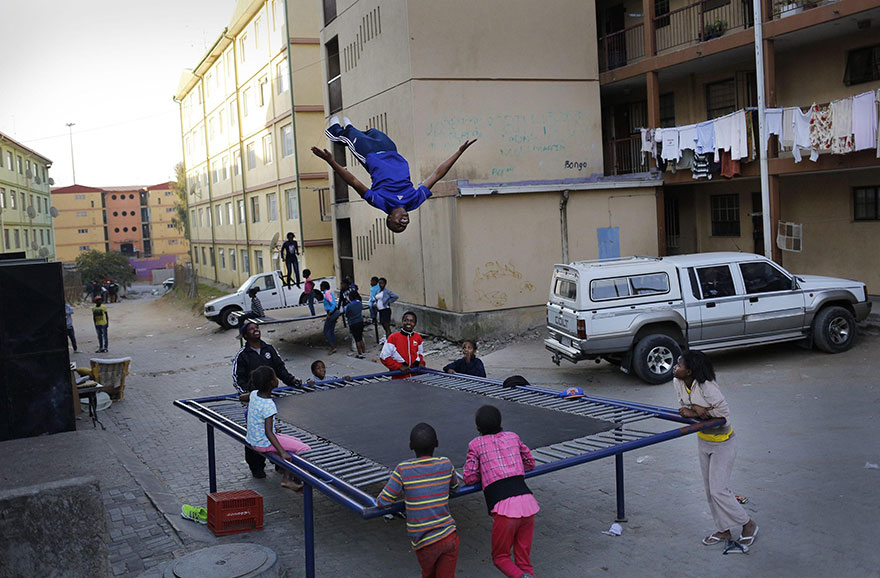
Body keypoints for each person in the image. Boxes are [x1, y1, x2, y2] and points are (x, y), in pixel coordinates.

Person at [312, 117, 477, 233]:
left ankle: (336, 130)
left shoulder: (381, 203)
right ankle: (350, 128)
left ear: (390, 218)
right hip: (391, 149)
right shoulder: (414, 201)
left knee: (348, 138)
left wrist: (331, 161)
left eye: (398, 225)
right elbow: (436, 175)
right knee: (372, 131)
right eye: (404, 226)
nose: (403, 223)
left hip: (371, 155)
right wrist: (459, 152)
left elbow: (354, 182)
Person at [673, 350, 758, 550]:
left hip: (724, 442)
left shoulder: (707, 386)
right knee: (709, 490)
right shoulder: (677, 382)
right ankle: (724, 529)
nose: (675, 367)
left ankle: (748, 524)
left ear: (690, 371)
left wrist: (697, 411)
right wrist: (696, 410)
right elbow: (683, 406)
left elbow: (724, 413)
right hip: (704, 440)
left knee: (719, 490)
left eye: (680, 365)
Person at [463, 405, 539, 578]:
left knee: (500, 557)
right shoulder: (513, 437)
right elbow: (530, 462)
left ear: (477, 428)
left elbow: (469, 477)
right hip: (528, 503)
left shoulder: (476, 444)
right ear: (500, 422)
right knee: (523, 560)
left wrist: (486, 473)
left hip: (504, 508)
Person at [377, 423, 459, 578]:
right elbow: (455, 486)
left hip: (425, 542)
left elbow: (383, 501)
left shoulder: (403, 469)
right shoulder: (446, 464)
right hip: (449, 536)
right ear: (437, 443)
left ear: (410, 446)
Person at [233, 320, 303, 478]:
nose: (255, 330)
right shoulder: (243, 355)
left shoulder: (269, 349)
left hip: (270, 398)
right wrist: (250, 395)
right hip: (255, 401)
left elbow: (280, 369)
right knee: (255, 431)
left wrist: (292, 380)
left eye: (256, 327)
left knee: (274, 428)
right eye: (251, 329)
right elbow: (238, 378)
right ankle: (256, 465)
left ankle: (278, 462)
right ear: (245, 335)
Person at [246, 366, 311, 490]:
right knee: (304, 449)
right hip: (263, 442)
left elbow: (243, 397)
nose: (277, 379)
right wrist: (282, 452)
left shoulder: (254, 394)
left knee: (296, 441)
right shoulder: (269, 405)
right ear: (271, 383)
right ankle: (289, 478)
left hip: (253, 439)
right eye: (275, 377)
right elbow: (269, 432)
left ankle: (288, 471)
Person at [380, 311, 424, 376]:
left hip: (415, 376)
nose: (408, 323)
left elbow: (420, 354)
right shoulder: (393, 337)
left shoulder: (418, 337)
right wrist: (399, 366)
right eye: (406, 320)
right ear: (402, 321)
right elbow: (384, 357)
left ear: (415, 323)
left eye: (411, 321)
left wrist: (421, 363)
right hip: (399, 376)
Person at [321, 281, 341, 354]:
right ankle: (333, 345)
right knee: (331, 330)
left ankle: (333, 346)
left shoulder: (327, 293)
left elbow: (333, 304)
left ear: (324, 287)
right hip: (333, 312)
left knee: (326, 330)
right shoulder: (329, 293)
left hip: (332, 313)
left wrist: (329, 313)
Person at [344, 291, 367, 358]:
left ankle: (360, 353)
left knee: (357, 339)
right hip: (360, 321)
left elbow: (347, 315)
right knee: (361, 337)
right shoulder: (359, 303)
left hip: (353, 323)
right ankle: (364, 352)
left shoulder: (349, 306)